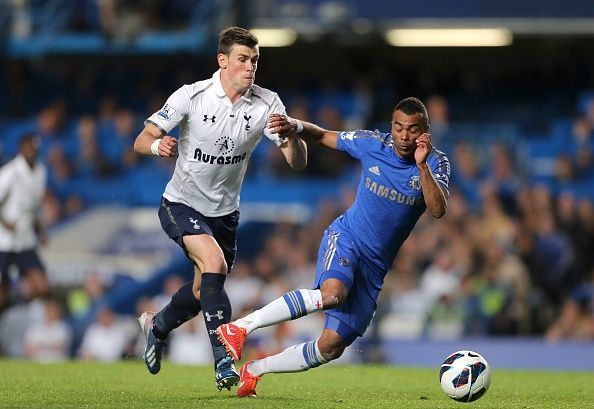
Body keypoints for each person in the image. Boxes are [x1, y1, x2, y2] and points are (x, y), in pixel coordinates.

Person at [216, 97, 450, 397]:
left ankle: (256, 370)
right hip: (347, 237)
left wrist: (421, 166)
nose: (404, 136)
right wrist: (295, 126)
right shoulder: (372, 144)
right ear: (391, 126)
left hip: (375, 268)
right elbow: (323, 135)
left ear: (425, 131)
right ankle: (241, 327)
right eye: (398, 127)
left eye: (412, 129)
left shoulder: (435, 162)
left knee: (331, 346)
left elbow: (438, 209)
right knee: (333, 294)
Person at [133, 26, 307, 390]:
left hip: (225, 214)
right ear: (222, 61)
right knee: (214, 265)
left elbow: (297, 162)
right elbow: (141, 138)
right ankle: (225, 359)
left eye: (255, 61)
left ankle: (157, 324)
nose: (250, 67)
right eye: (243, 60)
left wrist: (291, 136)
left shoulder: (267, 103)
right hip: (180, 203)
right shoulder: (192, 96)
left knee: (202, 292)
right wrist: (156, 147)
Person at [0, 133, 49, 313]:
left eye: (34, 148)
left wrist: (40, 230)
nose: (31, 151)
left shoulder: (41, 171)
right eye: (28, 147)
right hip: (4, 241)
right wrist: (4, 222)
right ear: (21, 148)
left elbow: (34, 206)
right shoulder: (10, 172)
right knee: (2, 292)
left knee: (42, 286)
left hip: (25, 239)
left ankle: (23, 312)